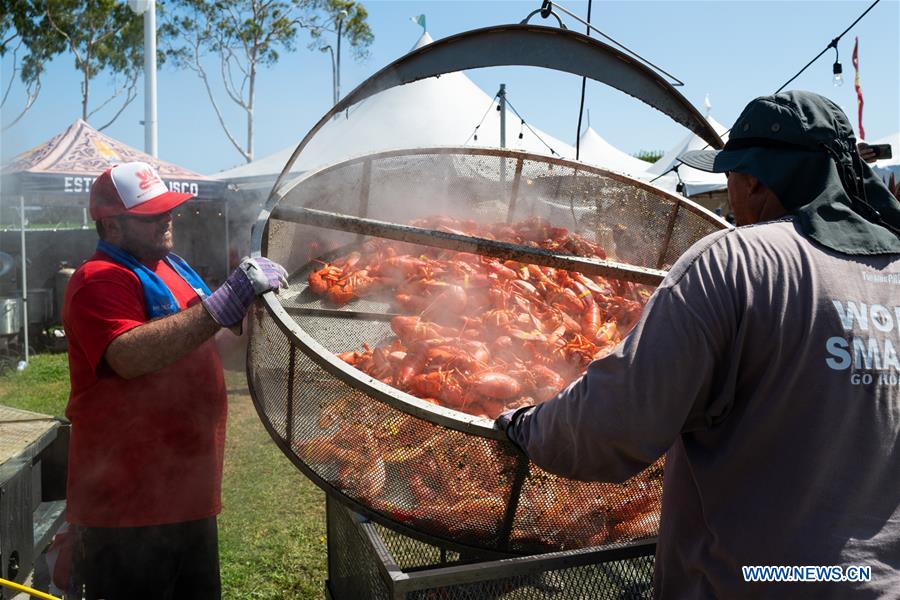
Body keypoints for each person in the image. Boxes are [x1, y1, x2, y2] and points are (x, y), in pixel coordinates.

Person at [496, 91, 900, 597]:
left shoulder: (735, 263)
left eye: (729, 175)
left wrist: (524, 426)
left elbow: (613, 423)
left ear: (752, 181)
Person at [62, 161, 287, 600]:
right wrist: (219, 306)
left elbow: (217, 349)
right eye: (151, 213)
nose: (167, 218)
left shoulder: (173, 267)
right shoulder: (98, 280)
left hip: (188, 494)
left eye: (168, 208)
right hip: (128, 506)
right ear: (111, 224)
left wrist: (269, 326)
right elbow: (126, 355)